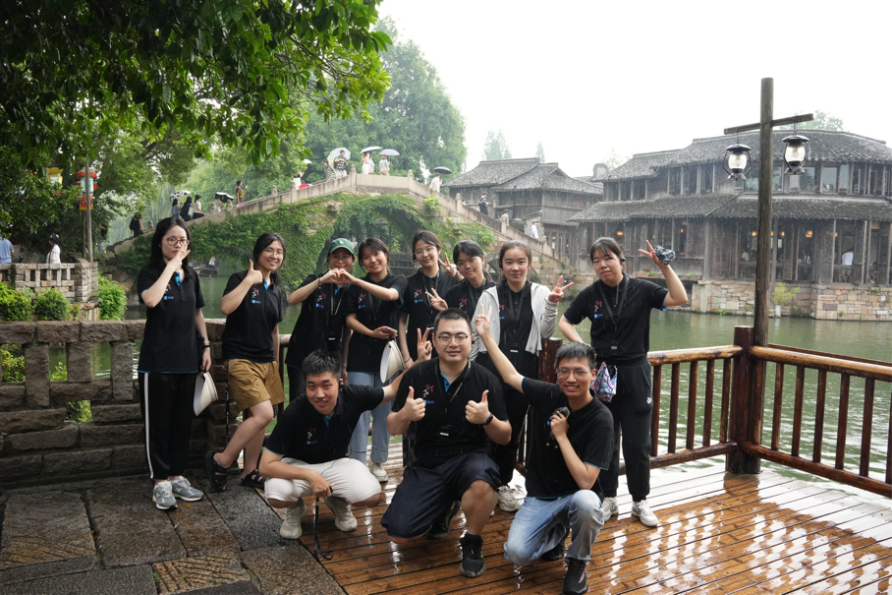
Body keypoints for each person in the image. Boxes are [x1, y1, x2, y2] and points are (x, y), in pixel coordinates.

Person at [476, 310, 613, 595]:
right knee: (516, 553)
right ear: (556, 372)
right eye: (564, 371)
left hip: (577, 495)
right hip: (541, 495)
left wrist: (561, 436)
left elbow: (586, 481)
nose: (571, 378)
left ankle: (578, 562)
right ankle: (557, 533)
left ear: (593, 374)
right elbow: (511, 376)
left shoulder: (601, 418)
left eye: (579, 372)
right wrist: (486, 336)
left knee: (588, 503)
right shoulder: (550, 394)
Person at [559, 237, 688, 528]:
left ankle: (640, 501)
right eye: (596, 261)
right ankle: (609, 498)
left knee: (637, 443)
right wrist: (584, 349)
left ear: (621, 260)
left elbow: (679, 298)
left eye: (608, 258)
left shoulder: (642, 288)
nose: (602, 265)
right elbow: (565, 322)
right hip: (603, 373)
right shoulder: (590, 294)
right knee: (605, 439)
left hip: (635, 372)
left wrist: (663, 267)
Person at [382, 308, 511, 578]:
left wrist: (487, 419)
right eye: (445, 336)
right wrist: (405, 414)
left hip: (470, 459)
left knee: (483, 483)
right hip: (428, 462)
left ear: (471, 340)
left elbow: (505, 436)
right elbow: (393, 427)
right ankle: (445, 504)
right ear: (435, 340)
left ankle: (472, 540)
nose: (453, 343)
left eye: (460, 336)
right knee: (399, 534)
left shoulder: (486, 379)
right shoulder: (416, 376)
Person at [260, 349, 417, 539]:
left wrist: (420, 363)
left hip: (336, 463)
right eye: (311, 386)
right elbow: (265, 466)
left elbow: (391, 390)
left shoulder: (353, 396)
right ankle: (295, 507)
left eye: (326, 385)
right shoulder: (295, 411)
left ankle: (337, 500)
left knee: (372, 495)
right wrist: (310, 475)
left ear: (340, 383)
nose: (319, 394)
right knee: (276, 493)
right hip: (299, 467)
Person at [476, 240, 571, 512]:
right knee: (487, 426)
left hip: (523, 371)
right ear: (501, 265)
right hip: (491, 368)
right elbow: (477, 335)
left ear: (529, 264)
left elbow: (545, 332)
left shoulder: (540, 292)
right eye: (509, 262)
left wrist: (551, 305)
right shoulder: (489, 295)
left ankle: (503, 483)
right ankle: (482, 481)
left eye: (520, 262)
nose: (515, 267)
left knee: (513, 428)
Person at [137, 216, 210, 510]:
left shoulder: (191, 276)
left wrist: (205, 346)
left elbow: (197, 314)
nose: (178, 245)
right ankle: (160, 482)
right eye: (172, 240)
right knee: (158, 426)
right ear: (160, 242)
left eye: (183, 240)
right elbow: (151, 300)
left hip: (187, 361)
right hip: (156, 362)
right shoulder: (149, 272)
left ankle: (177, 477)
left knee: (182, 425)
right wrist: (171, 266)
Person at [206, 233, 287, 492]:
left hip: (266, 361)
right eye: (269, 250)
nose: (274, 255)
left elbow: (274, 331)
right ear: (258, 252)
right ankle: (221, 460)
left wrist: (276, 364)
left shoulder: (277, 290)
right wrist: (250, 281)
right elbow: (225, 307)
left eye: (279, 252)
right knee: (264, 414)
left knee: (259, 417)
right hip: (240, 357)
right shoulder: (240, 278)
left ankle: (250, 471)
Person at [344, 237, 408, 483]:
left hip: (389, 357)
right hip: (360, 355)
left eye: (376, 254)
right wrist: (371, 333)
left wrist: (357, 281)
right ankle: (357, 460)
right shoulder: (354, 289)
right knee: (358, 410)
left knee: (384, 411)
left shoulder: (398, 281)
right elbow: (350, 319)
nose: (372, 260)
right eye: (366, 257)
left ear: (386, 254)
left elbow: (391, 296)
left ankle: (378, 461)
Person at [398, 231, 461, 467]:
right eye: (419, 251)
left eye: (429, 249)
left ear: (438, 250)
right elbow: (401, 322)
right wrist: (406, 357)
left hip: (449, 352)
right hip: (417, 354)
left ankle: (447, 459)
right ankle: (412, 462)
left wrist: (458, 275)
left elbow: (474, 298)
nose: (425, 254)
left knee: (447, 403)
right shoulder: (409, 282)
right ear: (414, 255)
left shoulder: (452, 279)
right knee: (415, 403)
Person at [283, 238, 356, 404]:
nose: (340, 261)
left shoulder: (352, 289)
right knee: (300, 405)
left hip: (331, 357)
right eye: (335, 256)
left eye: (345, 256)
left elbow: (347, 331)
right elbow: (292, 300)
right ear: (328, 258)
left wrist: (344, 365)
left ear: (352, 260)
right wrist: (321, 281)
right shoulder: (315, 279)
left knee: (327, 405)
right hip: (302, 354)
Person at [428, 240, 495, 361]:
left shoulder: (497, 291)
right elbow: (450, 330)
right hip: (465, 356)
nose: (467, 266)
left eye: (471, 260)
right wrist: (446, 311)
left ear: (482, 260)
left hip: (494, 353)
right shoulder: (453, 294)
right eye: (461, 263)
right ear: (457, 266)